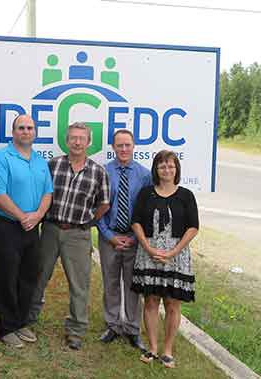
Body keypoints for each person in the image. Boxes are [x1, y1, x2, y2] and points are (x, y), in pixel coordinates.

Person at [29, 122, 110, 351]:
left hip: (78, 234)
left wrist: (88, 221)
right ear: (66, 140)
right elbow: (41, 195)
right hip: (51, 230)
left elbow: (104, 203)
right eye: (73, 138)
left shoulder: (97, 171)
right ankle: (28, 319)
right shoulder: (53, 165)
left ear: (88, 142)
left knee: (79, 284)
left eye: (81, 138)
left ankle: (76, 330)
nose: (77, 142)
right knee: (38, 276)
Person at [0, 114, 53, 348]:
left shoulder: (39, 161)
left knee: (28, 275)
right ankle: (6, 327)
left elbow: (48, 193)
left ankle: (21, 322)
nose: (26, 131)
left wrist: (36, 216)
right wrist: (22, 216)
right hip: (6, 225)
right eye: (21, 128)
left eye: (30, 128)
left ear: (35, 132)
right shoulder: (2, 158)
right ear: (13, 132)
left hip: (32, 226)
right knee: (7, 275)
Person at [131, 150, 199, 369]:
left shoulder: (186, 195)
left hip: (176, 256)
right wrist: (148, 247)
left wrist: (173, 252)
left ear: (176, 169)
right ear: (156, 170)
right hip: (149, 252)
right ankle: (152, 347)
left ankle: (167, 350)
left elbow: (193, 227)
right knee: (151, 301)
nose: (167, 170)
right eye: (162, 166)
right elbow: (136, 222)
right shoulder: (146, 193)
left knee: (172, 303)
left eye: (170, 166)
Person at [96, 130, 150, 351]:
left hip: (134, 238)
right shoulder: (103, 172)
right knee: (110, 282)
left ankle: (132, 328)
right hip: (109, 236)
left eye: (127, 145)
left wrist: (133, 237)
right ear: (113, 147)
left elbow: (147, 211)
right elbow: (96, 207)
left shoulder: (145, 175)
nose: (124, 149)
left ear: (134, 146)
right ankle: (113, 325)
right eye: (120, 145)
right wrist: (109, 236)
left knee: (132, 285)